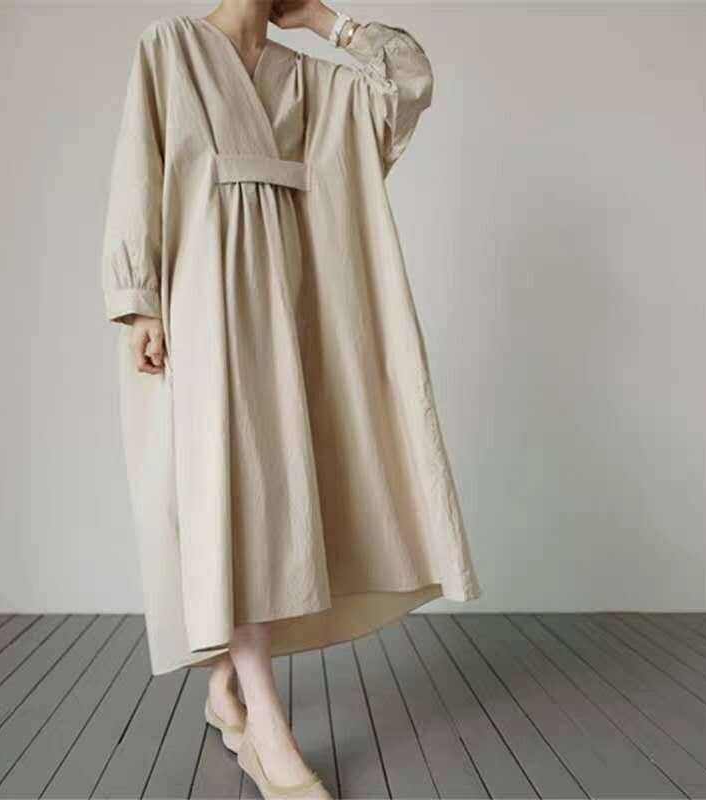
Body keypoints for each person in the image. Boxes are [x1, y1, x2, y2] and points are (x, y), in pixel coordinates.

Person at [101, 1, 482, 796]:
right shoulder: (171, 47)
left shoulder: (305, 79)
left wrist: (325, 22)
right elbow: (140, 166)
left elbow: (408, 81)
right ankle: (266, 726)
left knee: (271, 507)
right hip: (204, 302)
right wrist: (139, 303)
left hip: (292, 304)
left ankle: (225, 692)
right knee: (230, 498)